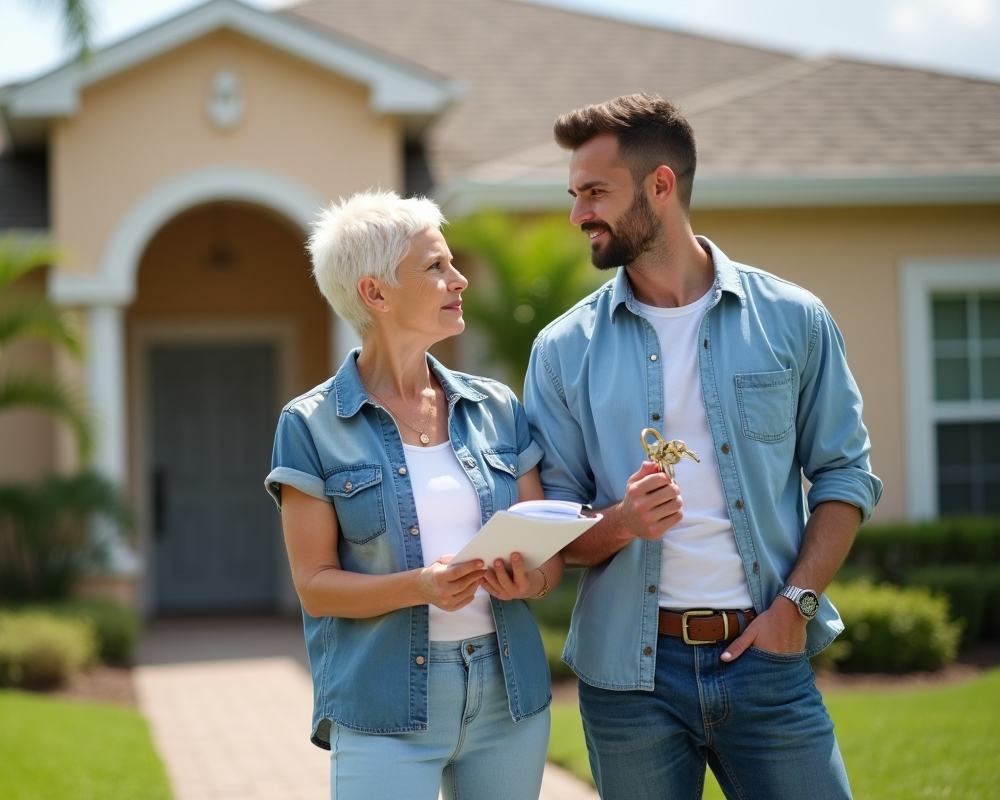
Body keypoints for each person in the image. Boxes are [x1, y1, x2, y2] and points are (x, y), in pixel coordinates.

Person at [523, 94, 884, 800]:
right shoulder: (563, 350)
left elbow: (845, 474)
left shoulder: (792, 319)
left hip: (767, 658)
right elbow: (549, 534)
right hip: (629, 683)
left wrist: (797, 606)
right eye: (573, 195)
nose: (577, 215)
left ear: (660, 185)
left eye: (594, 192)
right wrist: (620, 523)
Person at [265, 190, 562, 800]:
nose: (459, 280)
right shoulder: (311, 424)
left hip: (508, 699)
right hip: (382, 707)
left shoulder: (496, 407)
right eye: (435, 268)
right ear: (375, 293)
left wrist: (526, 580)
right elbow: (315, 587)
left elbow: (547, 557)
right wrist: (421, 588)